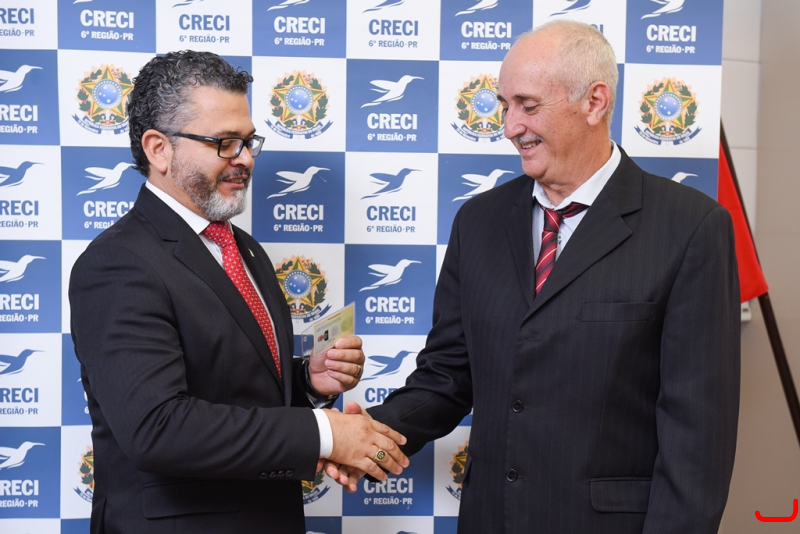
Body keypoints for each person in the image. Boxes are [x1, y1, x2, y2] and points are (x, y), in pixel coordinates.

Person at [341, 20, 740, 534]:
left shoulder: (690, 227)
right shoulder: (478, 221)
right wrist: (367, 436)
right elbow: (448, 376)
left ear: (594, 102)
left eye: (527, 106)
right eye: (505, 106)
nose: (510, 127)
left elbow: (697, 437)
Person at [68, 51, 407, 534]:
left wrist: (309, 383)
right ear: (159, 149)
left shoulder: (244, 250)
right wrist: (325, 433)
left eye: (248, 142)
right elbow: (157, 428)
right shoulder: (117, 263)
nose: (245, 159)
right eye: (225, 143)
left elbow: (237, 391)